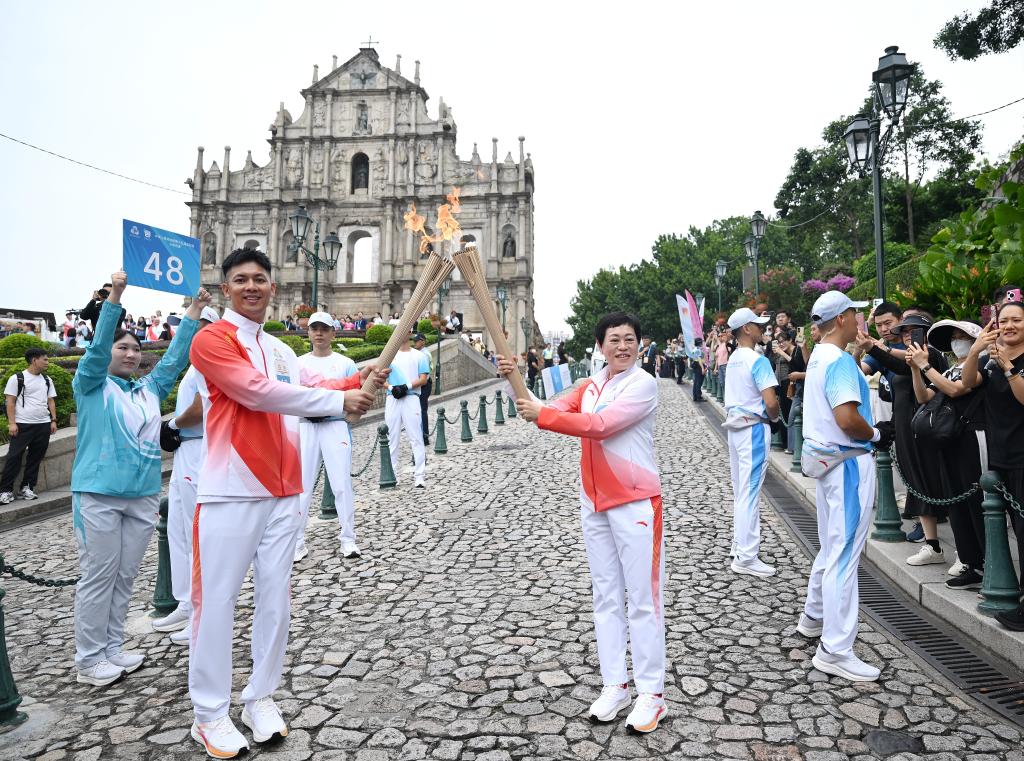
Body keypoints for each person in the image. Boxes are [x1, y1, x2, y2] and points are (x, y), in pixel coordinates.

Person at [186, 249, 383, 757]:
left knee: (276, 601)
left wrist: (357, 380)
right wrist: (340, 402)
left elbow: (299, 387)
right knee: (218, 604)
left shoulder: (277, 349)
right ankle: (209, 713)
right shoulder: (211, 340)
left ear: (273, 287)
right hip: (230, 489)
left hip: (283, 490)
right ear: (226, 288)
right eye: (240, 280)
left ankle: (260, 698)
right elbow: (255, 393)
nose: (251, 286)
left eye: (259, 279)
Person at [496, 311, 667, 734]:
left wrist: (543, 414)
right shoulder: (591, 386)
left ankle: (652, 694)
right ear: (600, 346)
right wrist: (516, 376)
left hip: (635, 503)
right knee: (606, 597)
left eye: (629, 339)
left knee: (643, 600)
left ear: (640, 344)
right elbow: (547, 410)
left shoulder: (643, 384)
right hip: (594, 504)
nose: (623, 346)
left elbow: (600, 427)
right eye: (614, 339)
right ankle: (616, 685)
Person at [71, 270, 208, 688]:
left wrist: (195, 310)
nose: (130, 354)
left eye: (134, 349)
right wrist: (115, 295)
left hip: (143, 494)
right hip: (100, 493)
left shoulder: (147, 391)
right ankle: (89, 657)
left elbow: (174, 358)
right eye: (121, 348)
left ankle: (112, 648)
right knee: (99, 574)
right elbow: (95, 352)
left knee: (126, 575)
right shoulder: (92, 385)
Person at [797, 291, 894, 681]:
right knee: (844, 555)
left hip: (828, 464)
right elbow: (846, 418)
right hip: (849, 463)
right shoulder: (836, 361)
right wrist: (875, 433)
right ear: (841, 319)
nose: (860, 321)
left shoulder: (820, 355)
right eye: (855, 314)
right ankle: (836, 650)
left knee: (831, 547)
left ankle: (814, 617)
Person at [151, 307, 221, 645]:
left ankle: (200, 612)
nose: (185, 333)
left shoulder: (208, 361)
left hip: (199, 447)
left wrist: (173, 425)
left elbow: (201, 406)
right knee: (178, 529)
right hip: (185, 452)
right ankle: (184, 601)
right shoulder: (196, 361)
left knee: (195, 533)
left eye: (192, 327)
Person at [905, 320, 987, 586]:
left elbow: (957, 388)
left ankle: (986, 560)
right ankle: (969, 560)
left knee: (974, 500)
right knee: (955, 501)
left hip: (971, 438)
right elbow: (924, 397)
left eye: (962, 336)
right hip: (948, 440)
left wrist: (926, 366)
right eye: (953, 336)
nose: (957, 340)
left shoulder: (981, 363)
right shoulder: (952, 368)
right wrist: (916, 370)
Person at [859, 312, 949, 549]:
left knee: (928, 481)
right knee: (917, 481)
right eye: (905, 332)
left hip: (927, 430)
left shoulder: (933, 357)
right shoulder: (910, 360)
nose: (908, 336)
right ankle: (932, 544)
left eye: (914, 331)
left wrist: (876, 348)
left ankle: (958, 551)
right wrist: (871, 348)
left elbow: (901, 366)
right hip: (906, 429)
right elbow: (898, 365)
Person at [962, 298, 1024, 631]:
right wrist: (975, 352)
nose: (1010, 326)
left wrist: (1010, 369)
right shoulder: (992, 359)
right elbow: (968, 383)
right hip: (1001, 454)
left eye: (1018, 320)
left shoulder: (1011, 362)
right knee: (1017, 529)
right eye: (1005, 320)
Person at [296, 312, 363, 561]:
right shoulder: (298, 362)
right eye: (315, 328)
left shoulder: (345, 363)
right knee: (301, 488)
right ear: (309, 332)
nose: (319, 333)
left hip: (334, 425)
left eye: (324, 328)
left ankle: (348, 539)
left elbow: (355, 397)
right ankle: (297, 542)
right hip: (306, 426)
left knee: (341, 485)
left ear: (334, 332)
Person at [723, 308, 780, 577]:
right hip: (754, 428)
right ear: (746, 329)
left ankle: (739, 546)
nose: (762, 329)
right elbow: (770, 401)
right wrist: (776, 418)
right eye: (758, 325)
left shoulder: (734, 358)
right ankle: (746, 556)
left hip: (735, 428)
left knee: (741, 490)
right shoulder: (757, 359)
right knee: (750, 492)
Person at [0, 348, 58, 504]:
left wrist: (53, 420)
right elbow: (10, 402)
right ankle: (5, 490)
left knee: (35, 458)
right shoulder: (17, 378)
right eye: (44, 359)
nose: (47, 362)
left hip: (43, 425)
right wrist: (12, 423)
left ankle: (27, 487)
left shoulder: (47, 380)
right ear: (34, 360)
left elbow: (50, 400)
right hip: (22, 424)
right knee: (14, 457)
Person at [385, 335, 430, 488]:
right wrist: (391, 388)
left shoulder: (419, 355)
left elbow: (423, 379)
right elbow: (379, 377)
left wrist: (406, 387)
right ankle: (392, 476)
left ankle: (419, 476)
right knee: (392, 438)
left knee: (416, 437)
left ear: (410, 332)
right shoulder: (388, 355)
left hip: (411, 398)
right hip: (392, 398)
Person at [413, 333, 433, 445]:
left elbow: (423, 374)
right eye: (415, 341)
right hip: (422, 384)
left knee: (422, 410)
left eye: (417, 341)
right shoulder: (420, 353)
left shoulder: (424, 354)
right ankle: (421, 434)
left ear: (423, 341)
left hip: (424, 385)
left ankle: (424, 436)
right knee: (420, 410)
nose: (415, 343)